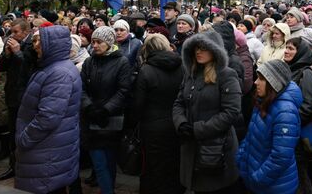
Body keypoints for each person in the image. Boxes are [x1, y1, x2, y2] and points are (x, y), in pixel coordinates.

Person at [15, 25, 82, 194]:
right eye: (35, 41)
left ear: (53, 44)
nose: (35, 45)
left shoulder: (59, 73)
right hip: (48, 148)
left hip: (46, 150)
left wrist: (24, 138)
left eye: (40, 41)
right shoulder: (52, 67)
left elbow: (48, 117)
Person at [172, 31, 242, 193]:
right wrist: (181, 123)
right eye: (196, 48)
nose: (198, 51)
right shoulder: (191, 73)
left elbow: (231, 112)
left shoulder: (227, 75)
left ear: (215, 50)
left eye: (204, 48)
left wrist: (197, 129)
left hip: (216, 148)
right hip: (191, 146)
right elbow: (179, 102)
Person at [236, 59, 302, 194]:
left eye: (261, 79)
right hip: (257, 178)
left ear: (274, 83)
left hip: (274, 186)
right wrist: (240, 157)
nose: (255, 82)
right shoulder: (263, 101)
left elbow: (280, 156)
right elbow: (250, 136)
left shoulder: (285, 112)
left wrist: (258, 177)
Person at [81, 26, 133, 194]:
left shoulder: (122, 62)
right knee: (99, 163)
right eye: (93, 41)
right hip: (91, 119)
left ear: (109, 43)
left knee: (110, 162)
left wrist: (106, 110)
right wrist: (89, 107)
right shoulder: (89, 62)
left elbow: (123, 90)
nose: (94, 45)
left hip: (111, 120)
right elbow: (81, 89)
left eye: (98, 42)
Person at [132, 34, 184, 194]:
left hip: (152, 128)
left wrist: (132, 125)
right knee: (174, 165)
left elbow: (137, 104)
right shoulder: (182, 66)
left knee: (153, 169)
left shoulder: (146, 70)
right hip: (177, 124)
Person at [0, 18, 36, 180]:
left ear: (26, 32)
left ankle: (28, 166)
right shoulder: (10, 45)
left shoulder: (32, 45)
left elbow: (28, 67)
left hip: (26, 97)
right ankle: (14, 166)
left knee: (25, 134)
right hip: (12, 95)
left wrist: (18, 52)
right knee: (13, 134)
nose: (12, 35)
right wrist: (7, 54)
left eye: (16, 32)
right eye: (11, 31)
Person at [284, 37, 312, 193]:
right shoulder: (288, 69)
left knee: (300, 173)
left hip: (297, 133)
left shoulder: (306, 73)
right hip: (289, 132)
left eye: (291, 48)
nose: (286, 51)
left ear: (301, 53)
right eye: (286, 47)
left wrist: (289, 121)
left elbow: (310, 106)